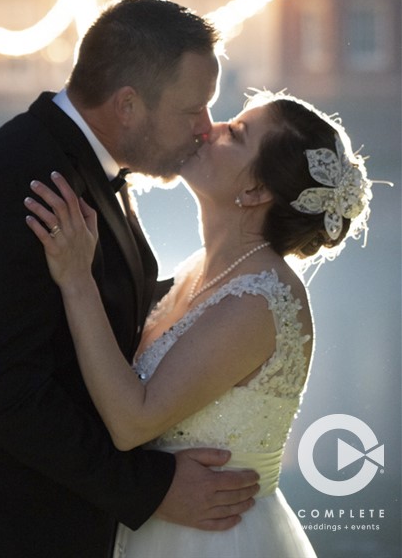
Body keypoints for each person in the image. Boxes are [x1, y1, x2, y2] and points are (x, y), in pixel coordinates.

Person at [0, 0, 260, 558]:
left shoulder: (86, 166)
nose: (205, 129)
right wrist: (152, 488)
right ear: (128, 105)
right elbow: (5, 394)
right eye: (193, 110)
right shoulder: (20, 181)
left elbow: (113, 316)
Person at [25, 89, 373, 558]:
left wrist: (76, 280)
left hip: (215, 539)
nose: (211, 128)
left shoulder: (260, 300)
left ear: (256, 191)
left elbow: (133, 422)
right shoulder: (199, 269)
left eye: (237, 134)